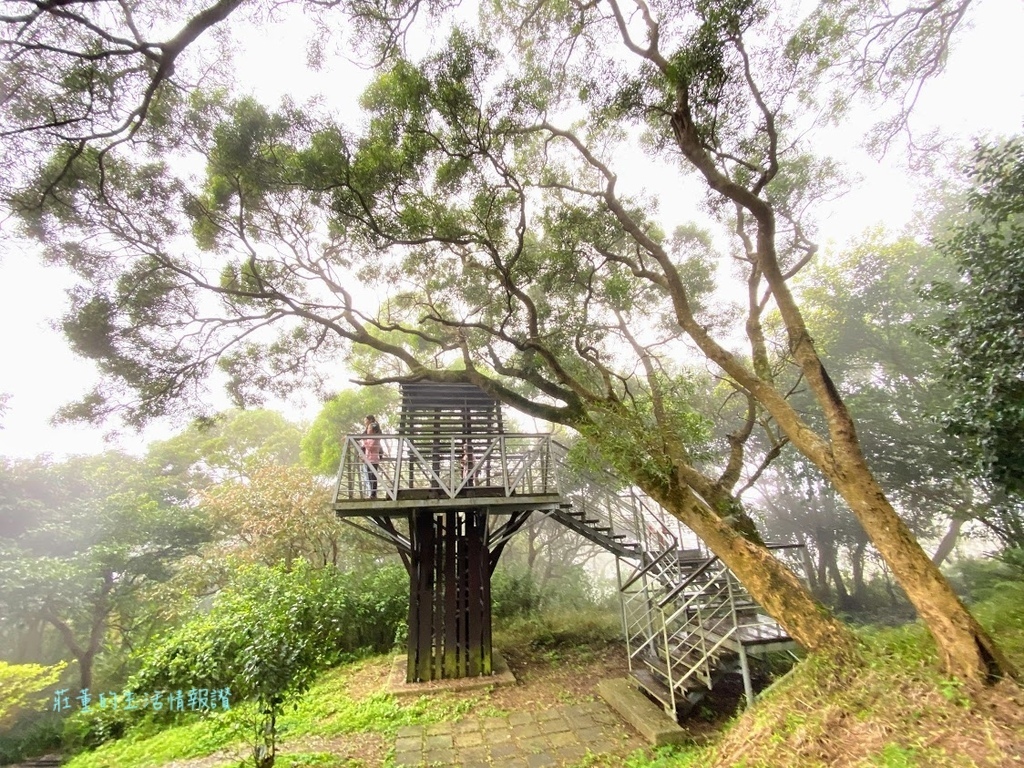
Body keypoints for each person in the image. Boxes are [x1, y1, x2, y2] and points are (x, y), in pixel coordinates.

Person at [361, 415, 384, 498]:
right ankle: (371, 493)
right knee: (369, 477)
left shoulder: (375, 438)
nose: (368, 430)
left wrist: (364, 440)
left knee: (373, 477)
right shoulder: (369, 438)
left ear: (373, 430)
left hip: (373, 460)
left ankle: (373, 494)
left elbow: (370, 448)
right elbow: (366, 448)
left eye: (369, 429)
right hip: (368, 459)